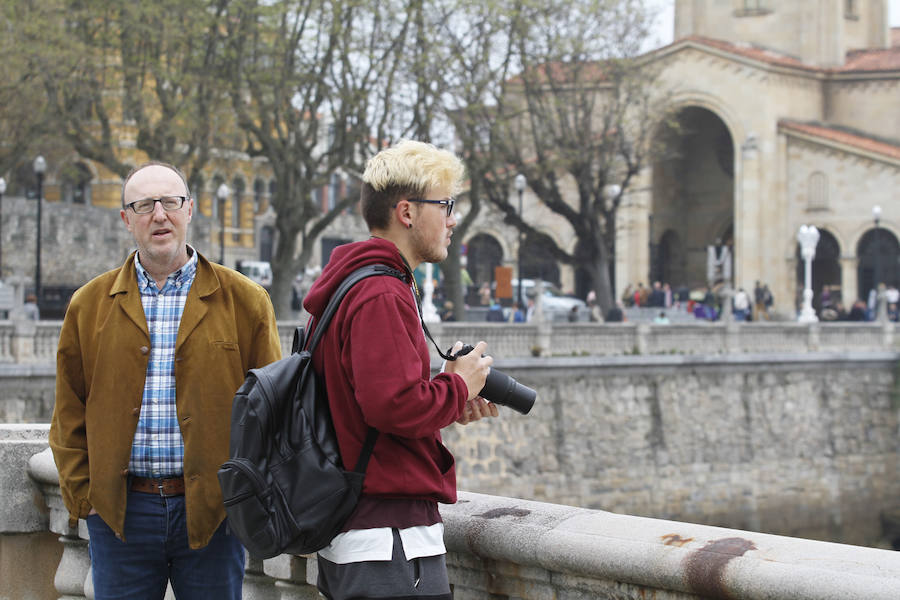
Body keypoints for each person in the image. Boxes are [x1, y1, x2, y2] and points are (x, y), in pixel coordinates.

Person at [49, 162, 282, 600]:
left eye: (170, 202)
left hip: (213, 514)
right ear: (126, 219)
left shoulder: (245, 301)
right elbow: (68, 411)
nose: (159, 214)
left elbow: (273, 410)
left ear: (189, 209)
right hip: (121, 516)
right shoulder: (89, 305)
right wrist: (86, 497)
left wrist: (245, 500)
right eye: (143, 205)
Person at [302, 140, 499, 600]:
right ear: (407, 212)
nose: (452, 220)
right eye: (446, 205)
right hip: (387, 538)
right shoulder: (380, 294)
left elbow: (371, 399)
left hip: (365, 531)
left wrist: (448, 397)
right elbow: (391, 407)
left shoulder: (354, 283)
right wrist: (457, 384)